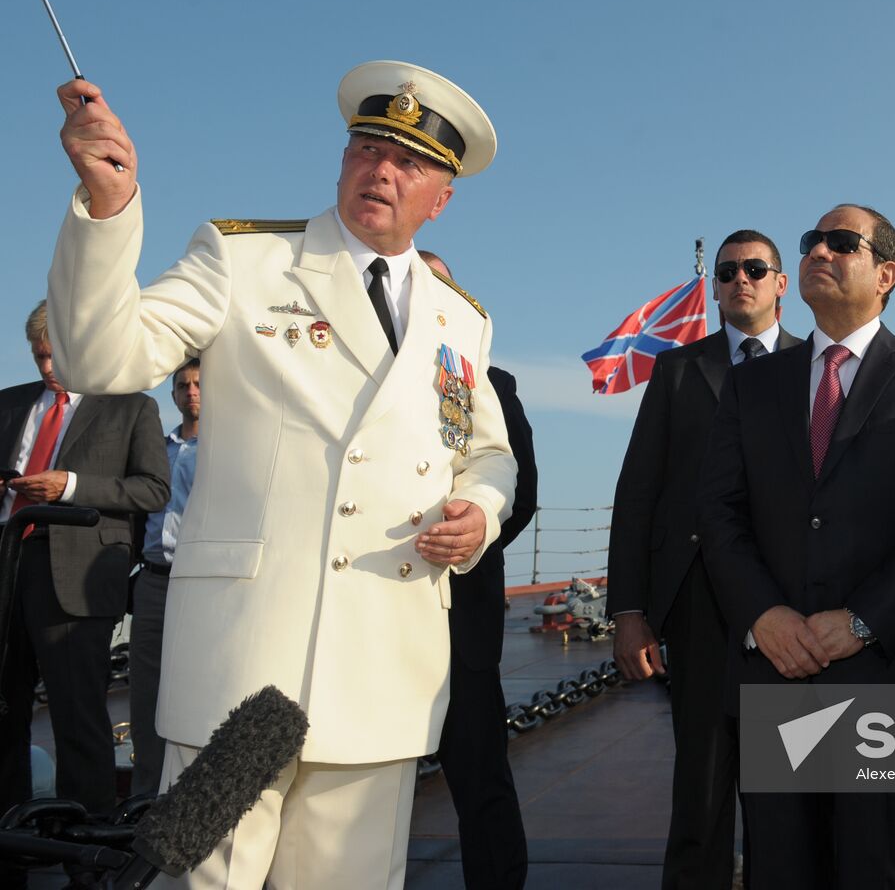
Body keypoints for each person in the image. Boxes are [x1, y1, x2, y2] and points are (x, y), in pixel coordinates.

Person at [47, 61, 518, 890]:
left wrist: (479, 510)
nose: (382, 170)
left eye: (409, 162)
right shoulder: (246, 260)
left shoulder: (461, 319)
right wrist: (110, 209)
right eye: (368, 148)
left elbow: (488, 452)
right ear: (342, 161)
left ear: (440, 198)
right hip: (243, 660)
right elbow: (100, 357)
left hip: (381, 668)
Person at [698, 204, 895, 888]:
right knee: (780, 870)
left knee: (880, 871)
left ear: (886, 274)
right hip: (775, 673)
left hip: (886, 678)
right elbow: (719, 512)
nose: (818, 252)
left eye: (841, 242)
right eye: (811, 242)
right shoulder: (751, 382)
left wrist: (863, 621)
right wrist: (764, 615)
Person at [608, 229, 801, 889]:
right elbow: (640, 490)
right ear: (715, 287)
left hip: (794, 603)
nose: (740, 279)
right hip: (700, 602)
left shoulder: (818, 366)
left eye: (755, 269)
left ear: (780, 283)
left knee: (790, 796)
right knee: (702, 788)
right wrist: (629, 610)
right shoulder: (678, 370)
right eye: (727, 271)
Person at [0, 301, 168, 888]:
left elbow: (153, 489)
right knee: (4, 716)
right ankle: (11, 852)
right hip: (7, 567)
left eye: (55, 356)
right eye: (38, 356)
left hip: (75, 578)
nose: (46, 367)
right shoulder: (9, 404)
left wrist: (69, 486)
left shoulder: (132, 407)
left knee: (78, 721)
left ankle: (87, 863)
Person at [421, 250, 536, 890]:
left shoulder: (493, 386)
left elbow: (521, 491)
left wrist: (472, 535)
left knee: (479, 774)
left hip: (462, 612)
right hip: (370, 609)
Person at [128, 357, 200, 797]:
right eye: (182, 385)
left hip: (200, 583)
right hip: (154, 581)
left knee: (198, 688)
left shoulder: (227, 448)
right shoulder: (157, 448)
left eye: (198, 384)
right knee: (146, 692)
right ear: (172, 395)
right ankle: (144, 799)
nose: (191, 392)